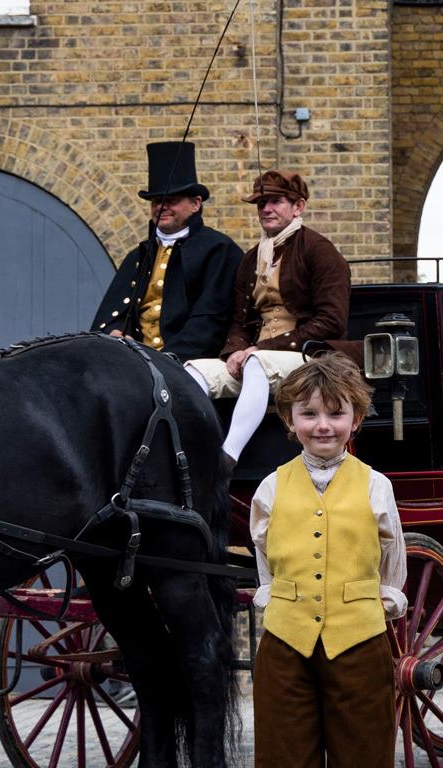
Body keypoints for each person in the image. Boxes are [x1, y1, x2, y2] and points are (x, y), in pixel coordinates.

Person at [247, 353, 406, 767]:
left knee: (363, 754)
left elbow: (392, 565)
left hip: (359, 644)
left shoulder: (376, 486)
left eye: (336, 414)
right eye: (309, 413)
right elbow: (267, 559)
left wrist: (372, 605)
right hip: (285, 645)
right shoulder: (270, 488)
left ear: (355, 420)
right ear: (290, 420)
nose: (322, 425)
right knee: (284, 754)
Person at [183, 170, 350, 460]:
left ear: (298, 207)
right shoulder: (251, 259)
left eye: (275, 201)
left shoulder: (319, 251)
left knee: (257, 365)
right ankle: (194, 455)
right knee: (192, 372)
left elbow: (331, 321)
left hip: (311, 358)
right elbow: (238, 321)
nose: (266, 209)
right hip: (256, 358)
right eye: (261, 204)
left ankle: (227, 457)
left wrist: (259, 349)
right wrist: (236, 350)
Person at [91, 141, 244, 359]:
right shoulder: (139, 256)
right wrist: (114, 334)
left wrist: (166, 360)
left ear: (196, 204)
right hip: (137, 362)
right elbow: (111, 315)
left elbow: (209, 324)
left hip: (191, 362)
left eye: (171, 200)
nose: (161, 207)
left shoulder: (219, 251)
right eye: (155, 201)